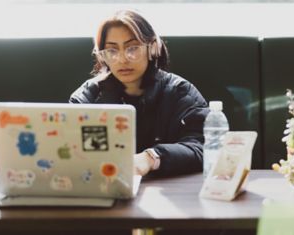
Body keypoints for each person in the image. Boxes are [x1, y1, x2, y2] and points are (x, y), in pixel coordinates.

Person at [69, 10, 209, 177]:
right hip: (107, 186)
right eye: (112, 51)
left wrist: (152, 158)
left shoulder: (180, 92)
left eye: (132, 48)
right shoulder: (88, 96)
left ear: (152, 48)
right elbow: (70, 149)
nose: (122, 59)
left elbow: (204, 148)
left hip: (169, 192)